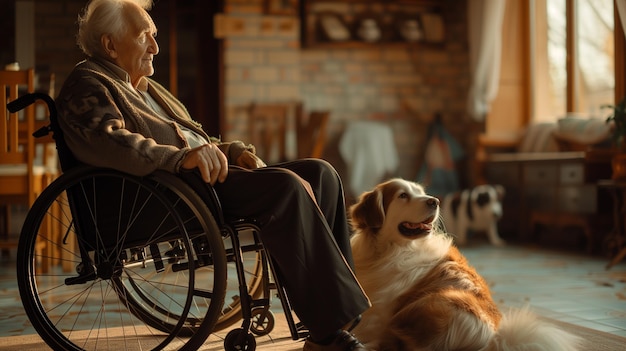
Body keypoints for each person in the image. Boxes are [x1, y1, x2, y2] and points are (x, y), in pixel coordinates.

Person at [54, 0, 371, 350]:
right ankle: (330, 329)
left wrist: (231, 151)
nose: (155, 47)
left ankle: (332, 315)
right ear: (110, 44)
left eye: (154, 36)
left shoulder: (144, 87)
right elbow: (108, 142)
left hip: (200, 178)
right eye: (144, 36)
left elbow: (194, 137)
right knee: (287, 188)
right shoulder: (87, 82)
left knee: (320, 172)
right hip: (165, 194)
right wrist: (178, 159)